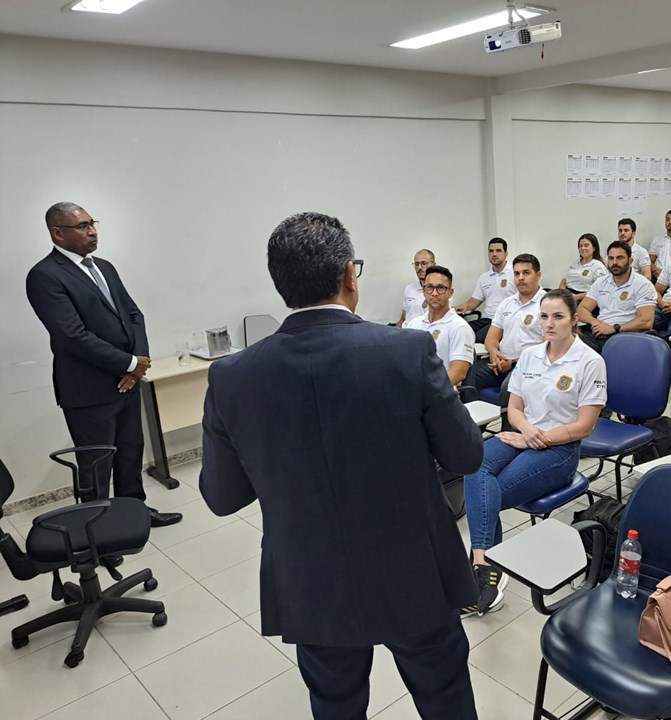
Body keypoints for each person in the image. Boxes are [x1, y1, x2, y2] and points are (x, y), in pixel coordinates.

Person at [199, 212, 483, 719]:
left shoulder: (232, 376)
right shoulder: (406, 352)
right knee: (444, 697)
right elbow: (465, 456)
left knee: (335, 703)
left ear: (281, 285)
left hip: (310, 576)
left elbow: (222, 498)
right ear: (350, 274)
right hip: (413, 567)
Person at [25, 202, 181, 527]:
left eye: (92, 223)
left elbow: (134, 314)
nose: (92, 230)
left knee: (130, 453)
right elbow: (73, 336)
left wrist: (137, 364)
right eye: (82, 226)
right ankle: (98, 530)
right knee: (96, 466)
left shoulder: (104, 267)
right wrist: (128, 363)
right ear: (57, 232)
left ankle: (135, 515)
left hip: (126, 383)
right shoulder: (44, 276)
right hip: (88, 391)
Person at [462, 289, 606, 615]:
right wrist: (526, 432)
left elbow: (584, 427)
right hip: (523, 435)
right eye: (544, 316)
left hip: (560, 449)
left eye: (558, 316)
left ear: (574, 319)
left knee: (490, 490)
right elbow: (513, 408)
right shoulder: (530, 355)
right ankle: (486, 565)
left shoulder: (590, 362)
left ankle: (481, 568)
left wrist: (534, 438)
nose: (549, 323)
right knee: (474, 465)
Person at [476, 254, 546, 402]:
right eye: (516, 273)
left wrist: (513, 362)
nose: (520, 277)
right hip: (500, 362)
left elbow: (550, 347)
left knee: (509, 388)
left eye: (526, 273)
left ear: (538, 275)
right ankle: (470, 423)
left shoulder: (547, 304)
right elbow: (491, 339)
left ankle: (507, 425)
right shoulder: (507, 303)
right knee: (470, 374)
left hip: (528, 365)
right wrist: (494, 354)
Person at [575, 240, 656, 353]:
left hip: (625, 337)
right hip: (599, 334)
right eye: (611, 258)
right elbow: (582, 309)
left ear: (630, 260)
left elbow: (646, 321)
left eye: (620, 258)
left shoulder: (643, 284)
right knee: (568, 338)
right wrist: (595, 322)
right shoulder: (601, 282)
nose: (614, 262)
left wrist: (614, 328)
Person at [405, 266, 475, 388]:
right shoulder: (414, 324)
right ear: (424, 290)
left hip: (440, 395)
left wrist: (427, 392)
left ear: (450, 293)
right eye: (430, 287)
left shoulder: (460, 327)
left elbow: (458, 373)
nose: (434, 293)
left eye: (441, 288)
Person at [455, 238, 514, 342]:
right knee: (461, 332)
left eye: (498, 250)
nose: (494, 254)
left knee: (478, 338)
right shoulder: (484, 277)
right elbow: (474, 301)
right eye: (491, 251)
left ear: (506, 254)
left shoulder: (515, 274)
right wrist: (456, 309)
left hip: (505, 321)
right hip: (487, 319)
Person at [558, 232, 608, 302]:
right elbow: (564, 280)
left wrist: (576, 297)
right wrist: (562, 293)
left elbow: (601, 289)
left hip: (585, 298)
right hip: (567, 296)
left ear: (594, 248)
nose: (583, 248)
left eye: (586, 245)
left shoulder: (598, 266)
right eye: (580, 246)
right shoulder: (575, 263)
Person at [398, 248, 435, 327]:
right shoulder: (409, 289)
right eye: (416, 264)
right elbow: (403, 317)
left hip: (425, 335)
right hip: (406, 333)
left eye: (424, 263)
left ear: (433, 264)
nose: (419, 268)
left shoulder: (440, 290)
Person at [649, 209, 671, 279]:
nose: (670, 222)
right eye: (667, 219)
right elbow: (650, 260)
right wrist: (655, 270)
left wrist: (667, 274)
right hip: (657, 276)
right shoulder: (657, 239)